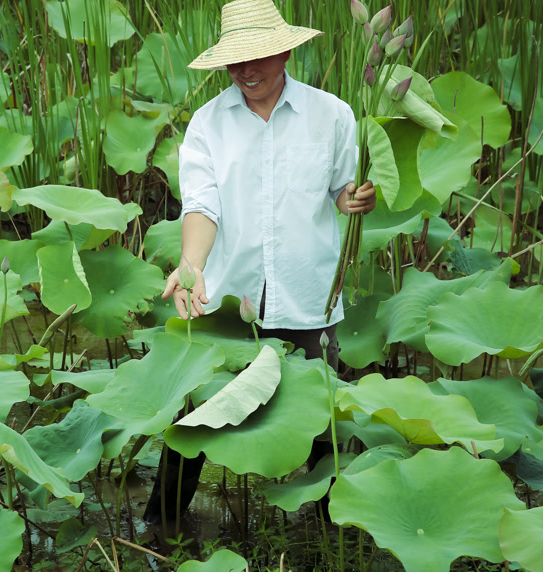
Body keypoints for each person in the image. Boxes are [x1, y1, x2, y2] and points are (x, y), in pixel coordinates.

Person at [143, 0, 376, 525]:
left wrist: (354, 200)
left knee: (324, 429)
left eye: (260, 57)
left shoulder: (333, 114)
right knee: (193, 421)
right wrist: (191, 265)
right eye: (236, 61)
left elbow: (341, 189)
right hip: (230, 298)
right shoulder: (207, 125)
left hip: (309, 294)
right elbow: (202, 205)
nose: (248, 71)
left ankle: (333, 536)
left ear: (286, 49)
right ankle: (162, 530)